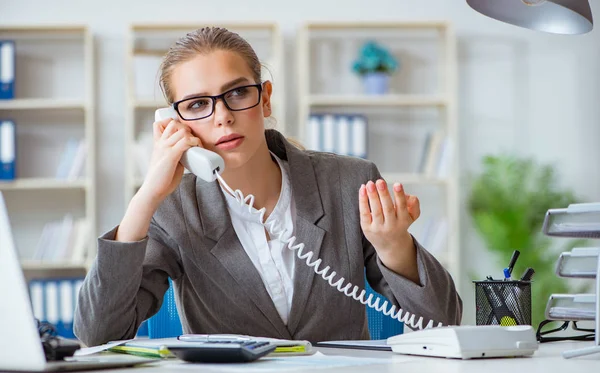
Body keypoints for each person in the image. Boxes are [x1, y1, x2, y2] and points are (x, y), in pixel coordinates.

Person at [73, 27, 462, 347]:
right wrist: (145, 199)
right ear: (173, 124)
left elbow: (442, 324)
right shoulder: (172, 209)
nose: (222, 117)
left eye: (238, 92)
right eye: (196, 105)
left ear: (265, 99)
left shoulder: (348, 183)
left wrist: (395, 246)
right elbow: (97, 333)